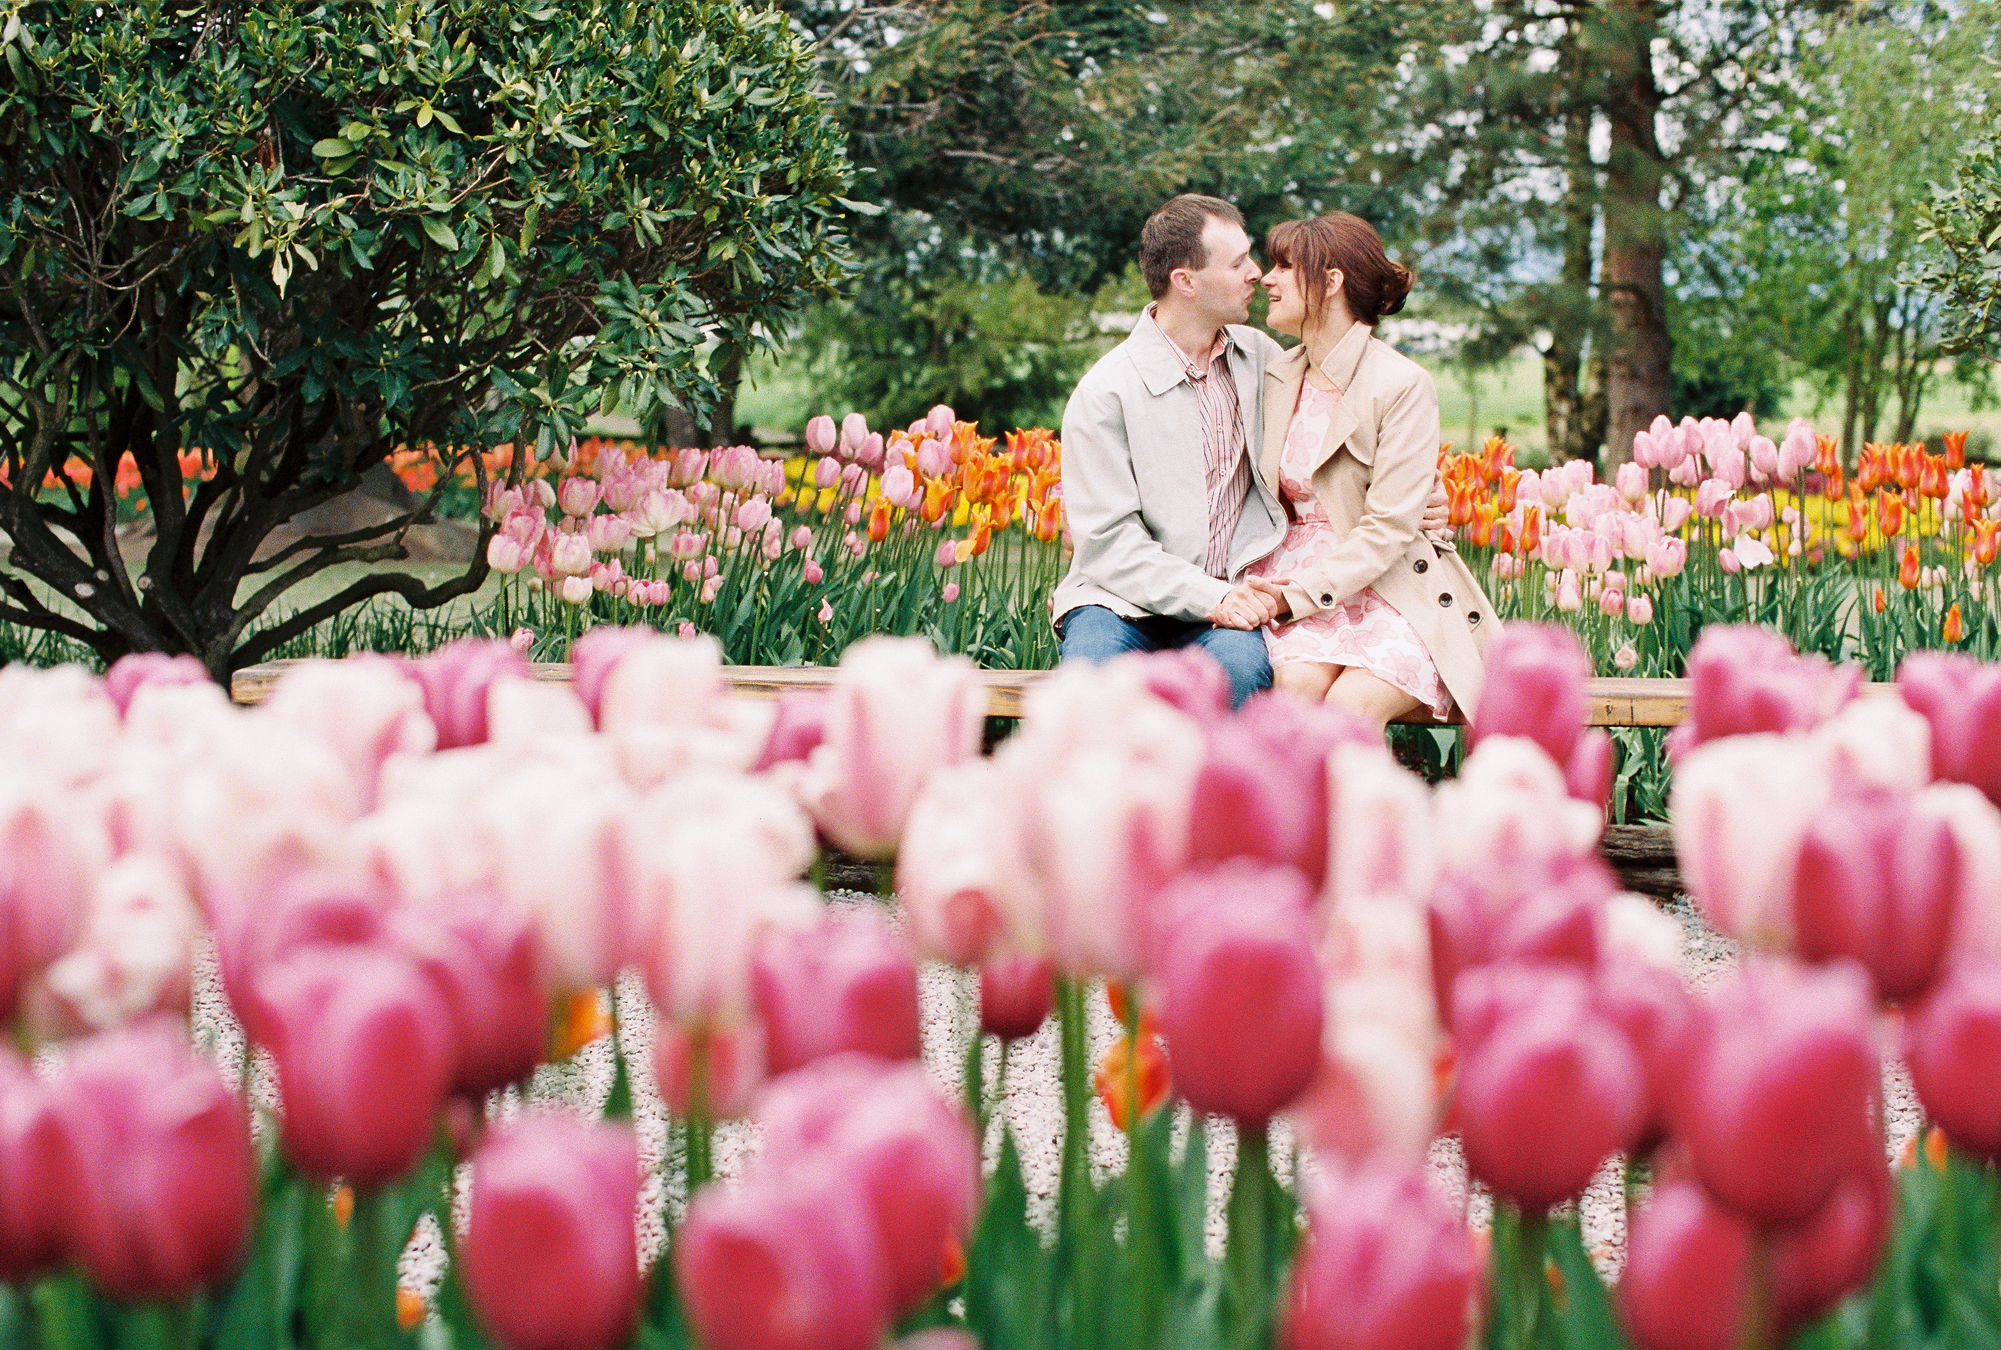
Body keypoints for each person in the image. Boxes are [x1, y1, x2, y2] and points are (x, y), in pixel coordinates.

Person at [1247, 211, 1494, 730]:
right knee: (1292, 694)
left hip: (1391, 584)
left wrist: (1295, 596)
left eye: (1284, 266)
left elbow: (1388, 528)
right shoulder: (1273, 375)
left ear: (1331, 282)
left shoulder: (1401, 384)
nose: (1266, 279)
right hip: (1290, 572)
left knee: (1349, 710)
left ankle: (1369, 813)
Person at [1050, 194, 1290, 708]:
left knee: (1240, 674)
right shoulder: (1105, 393)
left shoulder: (1263, 361)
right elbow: (1109, 544)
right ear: (1186, 281)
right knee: (1090, 688)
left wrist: (1414, 499)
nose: (1257, 274)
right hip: (1117, 603)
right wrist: (1215, 596)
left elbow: (1332, 435)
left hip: (1226, 606)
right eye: (1237, 262)